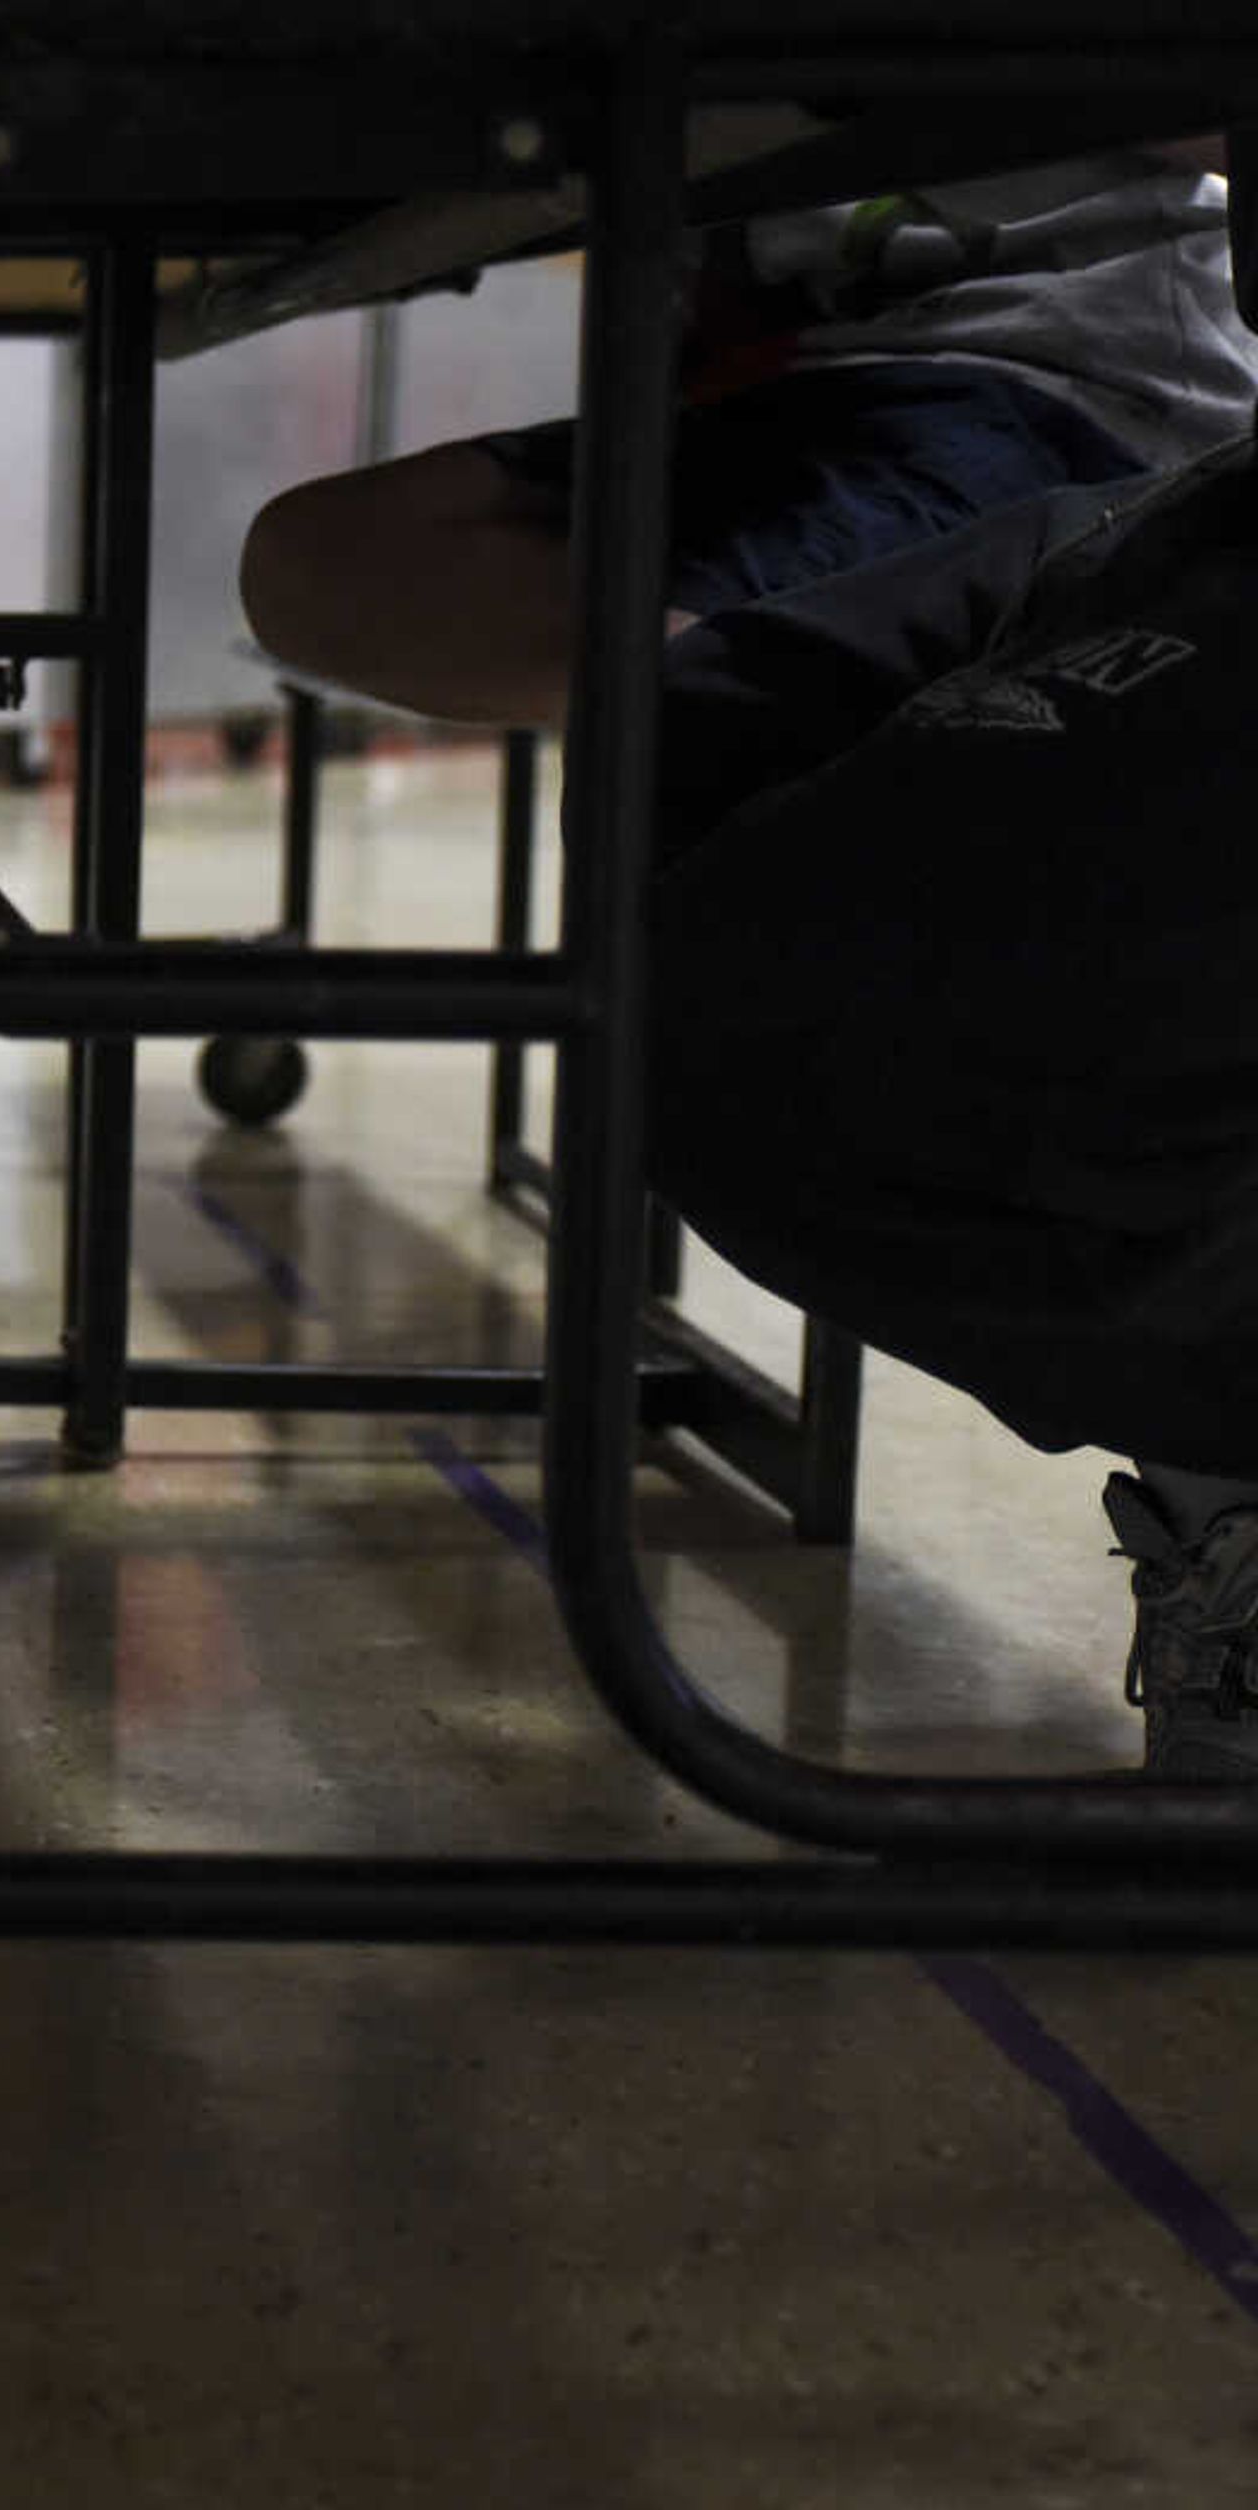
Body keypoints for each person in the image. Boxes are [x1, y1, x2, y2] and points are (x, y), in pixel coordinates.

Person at [641, 438, 1258, 1777]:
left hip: (732, 1108)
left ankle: (1226, 1510)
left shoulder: (1126, 522)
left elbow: (689, 706)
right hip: (1111, 1173)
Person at [240, 147, 1254, 726]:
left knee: (710, 696)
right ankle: (736, 709)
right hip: (812, 382)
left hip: (1067, 371)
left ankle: (738, 730)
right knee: (318, 557)